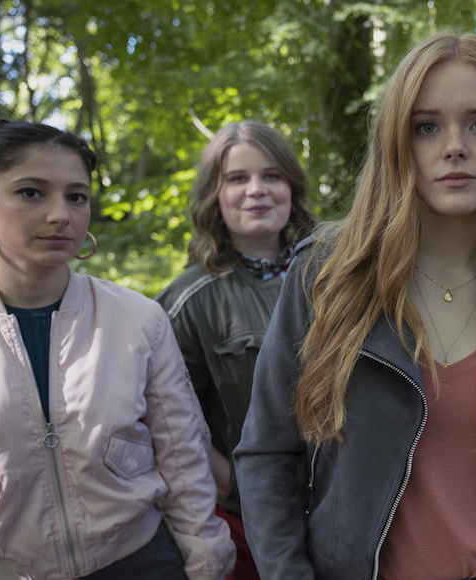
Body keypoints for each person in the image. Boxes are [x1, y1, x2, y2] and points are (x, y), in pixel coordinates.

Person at [233, 31, 476, 580]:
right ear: (397, 143)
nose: (454, 147)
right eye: (426, 127)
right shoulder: (326, 276)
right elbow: (267, 455)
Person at [0, 115, 236, 580]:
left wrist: (206, 560)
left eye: (76, 196)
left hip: (140, 563)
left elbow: (185, 458)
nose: (61, 214)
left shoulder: (138, 319)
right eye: (32, 192)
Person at [156, 120, 316, 580]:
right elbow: (170, 422)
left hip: (352, 510)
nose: (256, 190)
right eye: (238, 178)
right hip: (249, 523)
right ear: (215, 194)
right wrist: (235, 482)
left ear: (291, 187)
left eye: (271, 175)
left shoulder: (340, 273)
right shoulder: (188, 300)